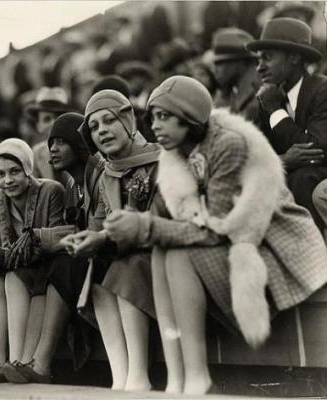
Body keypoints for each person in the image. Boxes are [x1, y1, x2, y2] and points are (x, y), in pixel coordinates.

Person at [103, 75, 327, 395]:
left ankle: (197, 375)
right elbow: (166, 218)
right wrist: (103, 236)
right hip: (229, 240)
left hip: (274, 244)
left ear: (190, 118)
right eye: (153, 117)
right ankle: (177, 377)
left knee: (177, 255)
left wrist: (142, 227)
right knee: (162, 253)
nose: (155, 126)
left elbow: (217, 228)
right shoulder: (175, 154)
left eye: (165, 116)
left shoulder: (228, 144)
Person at [61, 90, 163, 391]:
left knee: (122, 265)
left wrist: (103, 237)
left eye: (109, 120)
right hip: (126, 251)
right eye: (94, 127)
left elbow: (160, 217)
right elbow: (100, 222)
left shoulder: (159, 159)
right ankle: (120, 376)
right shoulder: (108, 172)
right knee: (96, 271)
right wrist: (86, 238)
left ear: (128, 120)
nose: (102, 130)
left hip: (160, 247)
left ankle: (139, 376)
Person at [0, 138, 68, 384]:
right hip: (23, 267)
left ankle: (18, 361)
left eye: (14, 171)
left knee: (11, 275)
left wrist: (7, 256)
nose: (7, 180)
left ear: (28, 169)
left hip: (48, 266)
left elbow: (57, 240)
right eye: (0, 174)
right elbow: (2, 244)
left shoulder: (50, 190)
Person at [246, 17, 327, 231]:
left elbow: (316, 150)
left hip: (320, 178)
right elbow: (262, 155)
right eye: (258, 60)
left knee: (302, 178)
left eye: (267, 58)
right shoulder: (269, 96)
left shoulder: (322, 89)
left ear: (293, 57)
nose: (260, 68)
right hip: (297, 178)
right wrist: (284, 160)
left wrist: (275, 110)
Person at [211, 28, 261, 124]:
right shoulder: (231, 91)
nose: (215, 69)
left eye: (221, 63)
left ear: (241, 62)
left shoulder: (259, 95)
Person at [26, 87, 72, 181]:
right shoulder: (36, 153)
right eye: (47, 119)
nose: (53, 123)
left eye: (58, 117)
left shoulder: (77, 148)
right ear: (38, 125)